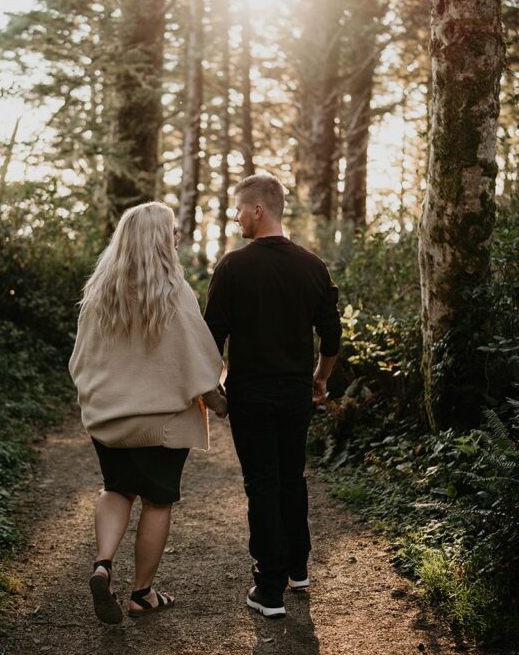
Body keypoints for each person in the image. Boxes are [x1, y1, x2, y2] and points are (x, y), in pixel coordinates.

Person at [69, 201, 226, 625]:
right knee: (158, 501)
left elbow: (80, 359)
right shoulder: (174, 290)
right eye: (173, 233)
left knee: (116, 489)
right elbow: (199, 355)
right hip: (163, 423)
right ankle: (142, 594)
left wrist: (97, 399)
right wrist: (216, 397)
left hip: (110, 418)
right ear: (160, 241)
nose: (177, 239)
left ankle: (103, 565)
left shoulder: (100, 291)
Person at [204, 172, 341, 619]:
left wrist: (212, 388)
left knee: (262, 484)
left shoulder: (232, 267)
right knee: (291, 477)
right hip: (295, 392)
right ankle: (298, 569)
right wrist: (321, 376)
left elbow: (212, 339)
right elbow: (332, 333)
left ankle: (269, 590)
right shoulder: (312, 265)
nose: (237, 216)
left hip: (251, 394)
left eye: (240, 208)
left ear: (259, 210)